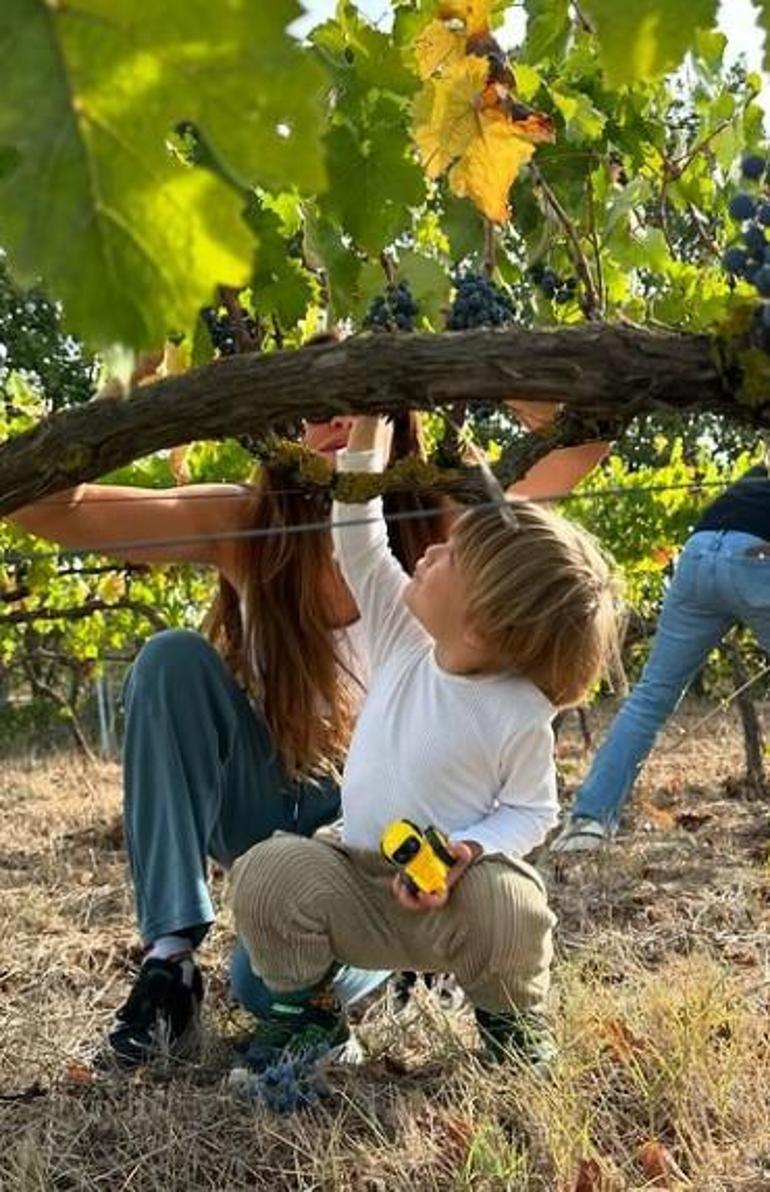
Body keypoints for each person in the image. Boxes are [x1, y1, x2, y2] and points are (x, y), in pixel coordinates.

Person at [10, 347, 608, 1064]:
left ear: (393, 422)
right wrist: (127, 394)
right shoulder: (246, 521)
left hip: (387, 829)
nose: (331, 420)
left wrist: (458, 363)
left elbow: (582, 443)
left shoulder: (450, 534)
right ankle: (169, 961)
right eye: (311, 406)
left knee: (265, 993)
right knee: (170, 660)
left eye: (353, 402)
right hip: (271, 797)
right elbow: (45, 505)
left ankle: (375, 964)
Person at [228, 415, 619, 1072]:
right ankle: (311, 1019)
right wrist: (366, 432)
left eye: (453, 558)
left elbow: (533, 811)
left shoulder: (519, 711)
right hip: (357, 882)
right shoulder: (406, 640)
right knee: (266, 876)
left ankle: (511, 1024)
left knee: (511, 904)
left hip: (452, 899)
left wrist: (472, 851)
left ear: (482, 626)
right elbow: (359, 539)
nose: (431, 552)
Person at [551, 458, 770, 853]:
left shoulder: (749, 480)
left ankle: (588, 823)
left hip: (698, 556)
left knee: (650, 699)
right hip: (757, 558)